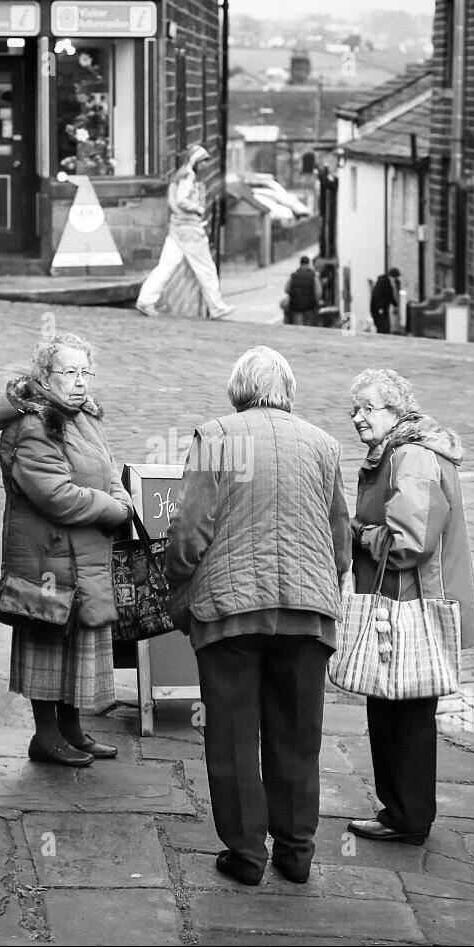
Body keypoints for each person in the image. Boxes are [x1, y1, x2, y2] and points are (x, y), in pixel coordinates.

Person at [164, 346, 352, 886]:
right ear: (287, 391)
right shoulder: (322, 444)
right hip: (306, 614)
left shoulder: (215, 436)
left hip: (230, 613)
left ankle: (246, 856)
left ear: (237, 389)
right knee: (297, 735)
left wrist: (179, 586)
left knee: (232, 734)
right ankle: (297, 853)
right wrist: (323, 583)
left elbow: (188, 531)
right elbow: (341, 541)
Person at [344, 368, 474, 845]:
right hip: (401, 600)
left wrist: (358, 533)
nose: (358, 418)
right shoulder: (401, 452)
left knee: (405, 715)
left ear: (397, 412)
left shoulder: (413, 457)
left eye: (367, 408)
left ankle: (408, 817)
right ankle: (399, 810)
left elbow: (410, 542)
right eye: (354, 409)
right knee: (393, 709)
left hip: (410, 603)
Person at [0, 332, 134, 767]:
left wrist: (120, 497)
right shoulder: (34, 424)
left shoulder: (82, 416)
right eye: (69, 371)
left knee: (77, 645)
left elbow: (105, 469)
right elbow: (56, 495)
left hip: (81, 552)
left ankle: (71, 731)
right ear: (45, 375)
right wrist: (114, 510)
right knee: (49, 643)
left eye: (85, 371)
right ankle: (45, 738)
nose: (80, 380)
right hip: (47, 559)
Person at [136, 144, 235, 320]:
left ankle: (146, 299)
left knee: (166, 265)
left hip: (177, 226)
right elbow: (182, 200)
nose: (205, 165)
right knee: (206, 268)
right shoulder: (189, 176)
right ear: (196, 160)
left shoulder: (179, 175)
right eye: (203, 161)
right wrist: (197, 209)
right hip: (189, 227)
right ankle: (217, 306)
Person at [283, 255, 323, 327]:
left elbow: (286, 289)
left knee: (299, 327)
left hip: (296, 307)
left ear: (300, 264)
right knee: (309, 327)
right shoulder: (313, 276)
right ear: (308, 264)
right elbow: (318, 292)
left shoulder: (294, 275)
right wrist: (317, 301)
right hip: (310, 307)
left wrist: (294, 295)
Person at [369, 268, 401, 335]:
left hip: (383, 309)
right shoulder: (383, 282)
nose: (395, 280)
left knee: (385, 327)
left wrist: (395, 305)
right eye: (395, 278)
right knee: (382, 327)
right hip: (378, 309)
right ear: (392, 277)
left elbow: (390, 296)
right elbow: (378, 295)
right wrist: (380, 308)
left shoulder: (388, 283)